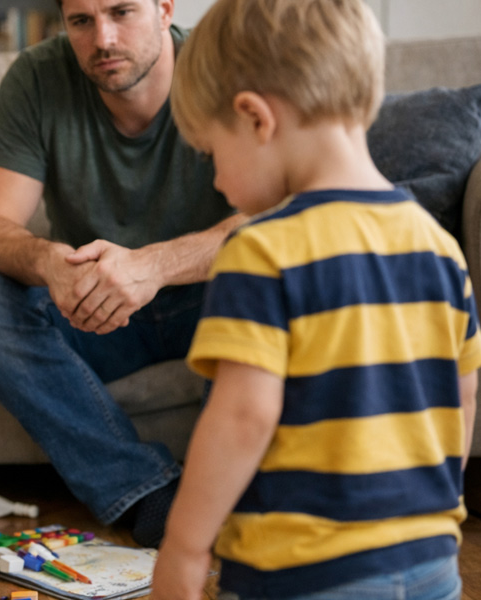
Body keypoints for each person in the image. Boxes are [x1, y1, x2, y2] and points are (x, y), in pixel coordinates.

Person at [151, 0, 481, 598]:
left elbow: (243, 417)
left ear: (255, 118)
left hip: (304, 573)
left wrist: (185, 546)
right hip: (432, 563)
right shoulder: (439, 248)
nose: (217, 180)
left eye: (211, 154)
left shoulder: (261, 250)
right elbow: (460, 395)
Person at [0, 0, 244, 547]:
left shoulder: (228, 63)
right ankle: (149, 493)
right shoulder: (37, 77)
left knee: (264, 281)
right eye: (81, 20)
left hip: (210, 297)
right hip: (94, 304)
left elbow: (286, 219)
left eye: (121, 12)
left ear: (164, 9)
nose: (102, 38)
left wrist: (153, 265)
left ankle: (221, 493)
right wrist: (49, 262)